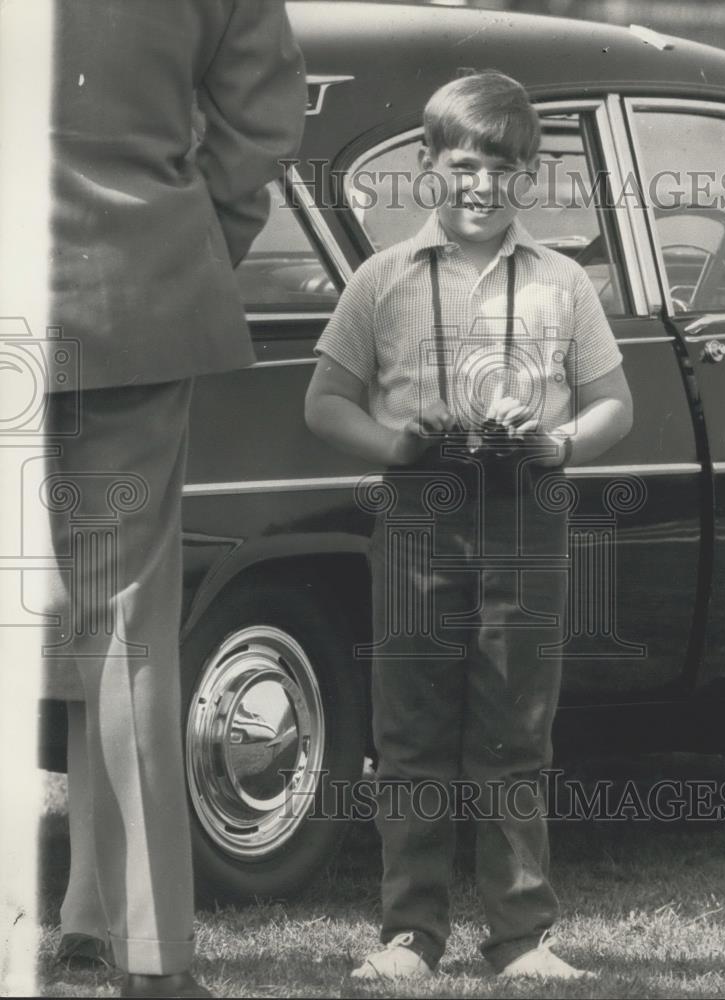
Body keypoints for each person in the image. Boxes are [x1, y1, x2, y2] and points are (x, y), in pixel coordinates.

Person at [305, 71, 632, 981]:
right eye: (462, 165)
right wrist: (396, 444)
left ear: (529, 176)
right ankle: (409, 933)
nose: (482, 185)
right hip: (419, 513)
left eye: (503, 166)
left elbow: (616, 403)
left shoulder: (563, 282)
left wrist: (561, 442)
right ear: (425, 167)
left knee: (515, 727)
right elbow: (324, 401)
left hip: (527, 511)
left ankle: (522, 937)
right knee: (409, 729)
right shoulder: (383, 281)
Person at [43, 3, 306, 997]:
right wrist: (184, 243)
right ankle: (136, 946)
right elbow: (265, 125)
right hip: (132, 294)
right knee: (124, 631)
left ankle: (85, 919)